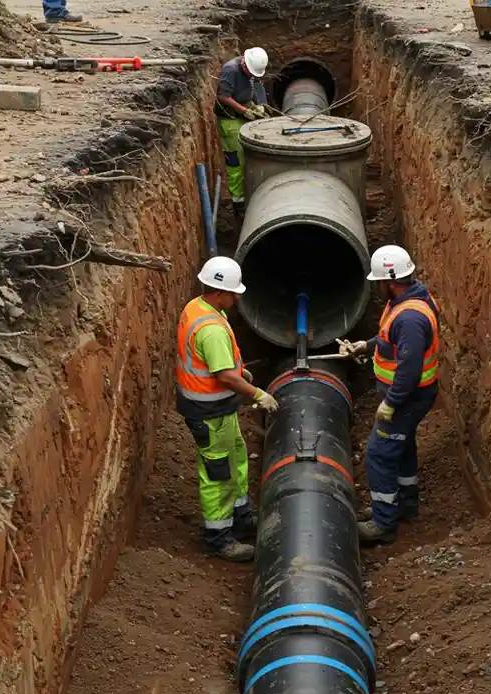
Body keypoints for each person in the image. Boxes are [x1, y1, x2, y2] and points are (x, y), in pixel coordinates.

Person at [177, 256, 280, 562]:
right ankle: (219, 537)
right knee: (218, 473)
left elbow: (219, 363)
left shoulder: (198, 307)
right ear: (220, 292)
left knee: (236, 456)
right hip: (208, 412)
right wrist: (257, 393)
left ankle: (241, 517)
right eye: (234, 294)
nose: (237, 299)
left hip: (219, 409)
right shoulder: (210, 328)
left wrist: (239, 370)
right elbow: (223, 375)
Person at [338, 245, 441, 544]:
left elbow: (409, 370)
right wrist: (366, 345)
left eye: (378, 282)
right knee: (402, 445)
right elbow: (390, 338)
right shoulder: (410, 300)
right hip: (414, 396)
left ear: (390, 282)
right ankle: (405, 505)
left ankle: (384, 523)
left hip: (408, 397)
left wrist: (390, 403)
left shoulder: (409, 319)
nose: (377, 287)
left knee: (380, 454)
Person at [215, 47, 270, 219]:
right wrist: (244, 111)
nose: (252, 76)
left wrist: (258, 104)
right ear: (244, 64)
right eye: (251, 73)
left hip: (243, 113)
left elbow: (257, 86)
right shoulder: (230, 70)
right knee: (236, 162)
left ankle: (254, 191)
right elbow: (222, 96)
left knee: (254, 151)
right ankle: (238, 203)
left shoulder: (251, 70)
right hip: (230, 119)